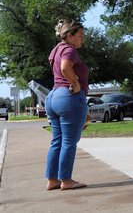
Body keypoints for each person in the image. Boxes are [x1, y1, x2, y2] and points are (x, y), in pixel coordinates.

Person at [45, 19, 88, 191]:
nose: (82, 39)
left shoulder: (55, 50)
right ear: (69, 36)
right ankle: (66, 180)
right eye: (80, 36)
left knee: (57, 141)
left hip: (53, 97)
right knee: (69, 142)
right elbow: (65, 68)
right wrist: (76, 84)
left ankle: (52, 180)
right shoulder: (69, 49)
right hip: (68, 96)